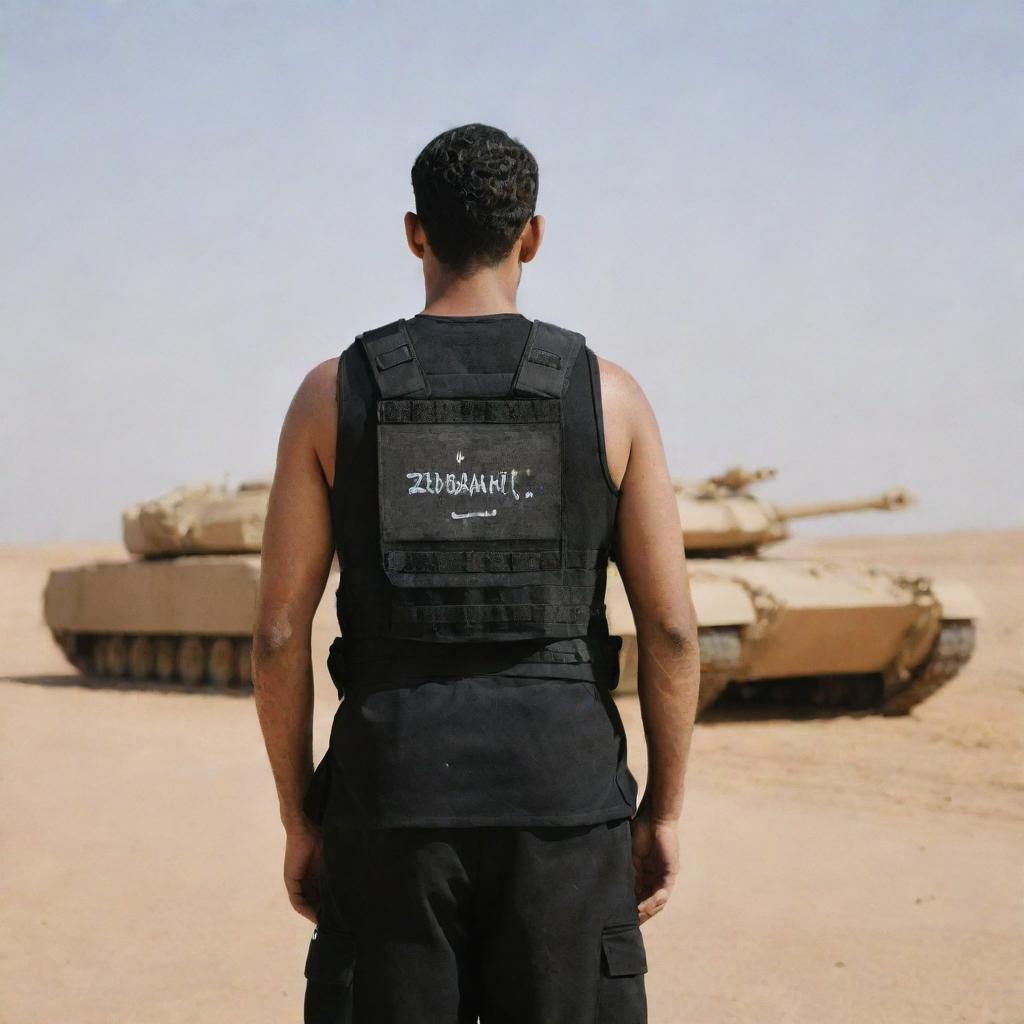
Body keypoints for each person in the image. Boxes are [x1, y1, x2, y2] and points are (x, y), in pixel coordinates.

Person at [253, 122, 701, 1024]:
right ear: (531, 234)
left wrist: (303, 818)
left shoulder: (330, 395)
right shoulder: (608, 395)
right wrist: (661, 810)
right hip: (565, 801)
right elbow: (674, 629)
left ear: (416, 232)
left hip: (390, 798)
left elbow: (275, 634)